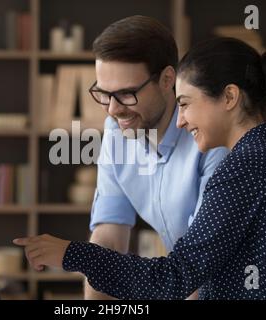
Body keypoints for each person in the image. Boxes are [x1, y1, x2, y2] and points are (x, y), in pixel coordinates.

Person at [14, 37, 266, 299]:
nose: (180, 120)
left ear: (230, 97)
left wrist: (72, 254)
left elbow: (175, 277)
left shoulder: (247, 166)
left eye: (187, 104)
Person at [35, 15, 227, 300]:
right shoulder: (118, 130)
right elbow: (108, 241)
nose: (112, 110)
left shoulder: (212, 141)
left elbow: (200, 269)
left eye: (126, 94)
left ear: (167, 80)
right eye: (104, 94)